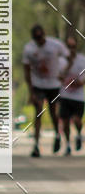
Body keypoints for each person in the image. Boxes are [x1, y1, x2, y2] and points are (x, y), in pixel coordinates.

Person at [22, 25, 67, 157]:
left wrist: (63, 72)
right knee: (38, 112)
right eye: (37, 39)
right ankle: (36, 145)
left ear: (44, 35)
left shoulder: (55, 45)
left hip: (54, 84)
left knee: (53, 112)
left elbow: (69, 57)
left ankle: (57, 135)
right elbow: (26, 70)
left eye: (41, 38)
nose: (39, 41)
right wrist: (30, 91)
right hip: (38, 84)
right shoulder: (29, 48)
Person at [58, 35, 85, 156]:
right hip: (65, 95)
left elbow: (83, 78)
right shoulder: (61, 60)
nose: (71, 49)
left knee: (77, 120)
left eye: (73, 47)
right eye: (69, 47)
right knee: (65, 122)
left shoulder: (82, 59)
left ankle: (79, 134)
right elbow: (59, 76)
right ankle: (68, 145)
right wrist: (69, 64)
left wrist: (79, 82)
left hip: (78, 96)